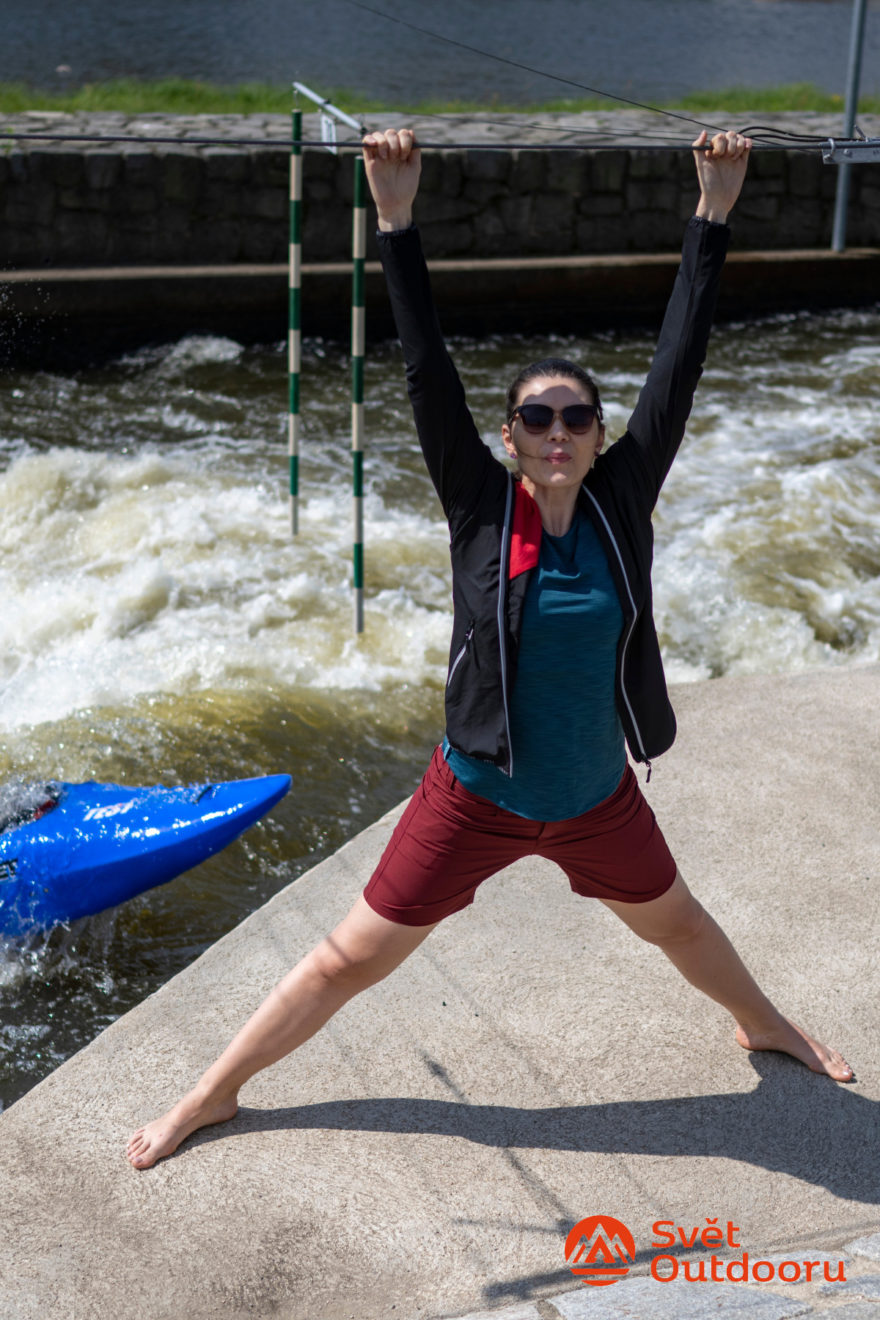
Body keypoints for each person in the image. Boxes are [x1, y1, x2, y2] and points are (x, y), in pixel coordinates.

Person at [127, 126, 851, 1171]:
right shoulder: (478, 508)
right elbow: (423, 367)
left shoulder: (620, 505)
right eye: (535, 417)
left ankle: (764, 1024)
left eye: (576, 418)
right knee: (343, 962)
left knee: (680, 927)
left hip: (596, 798)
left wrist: (714, 215)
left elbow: (678, 363)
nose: (557, 432)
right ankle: (211, 1094)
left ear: (599, 435)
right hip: (473, 799)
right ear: (507, 435)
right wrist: (394, 218)